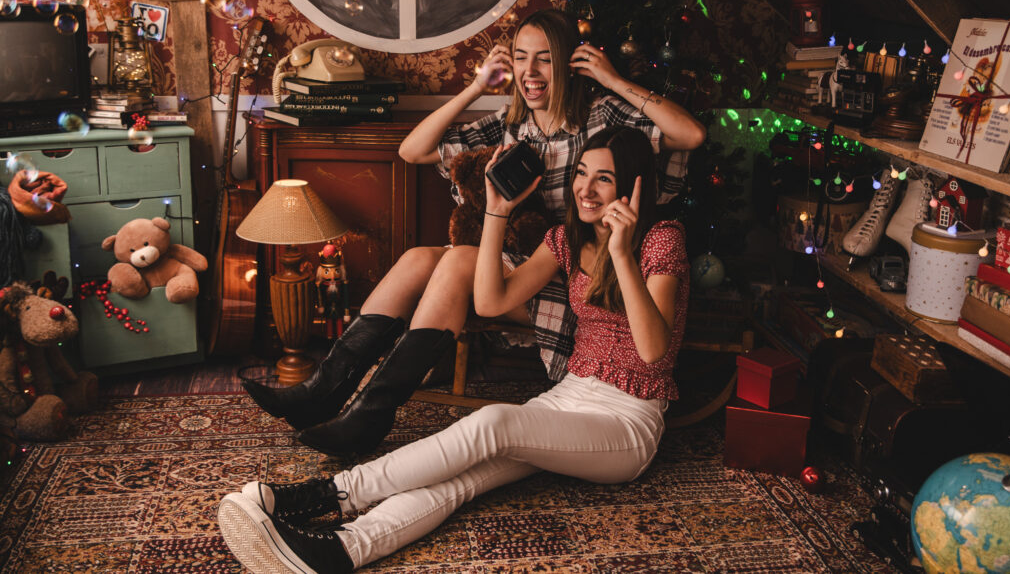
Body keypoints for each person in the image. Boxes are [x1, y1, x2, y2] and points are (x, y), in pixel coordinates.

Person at [218, 126, 690, 572]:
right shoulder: (567, 238)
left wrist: (623, 254)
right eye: (581, 173)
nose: (585, 189)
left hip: (628, 422)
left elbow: (653, 349)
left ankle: (322, 496)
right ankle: (341, 550)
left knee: (494, 421)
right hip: (569, 397)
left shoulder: (660, 240)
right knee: (462, 478)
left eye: (603, 178)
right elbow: (490, 300)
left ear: (633, 187)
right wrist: (497, 211)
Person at [241, 8, 705, 456]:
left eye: (544, 57)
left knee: (459, 259)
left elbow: (691, 136)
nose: (531, 70)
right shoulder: (513, 124)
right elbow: (412, 150)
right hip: (520, 263)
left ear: (567, 62)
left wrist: (614, 80)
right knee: (418, 259)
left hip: (575, 282)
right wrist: (476, 87)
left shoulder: (601, 117)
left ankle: (369, 415)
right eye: (521, 57)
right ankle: (327, 391)